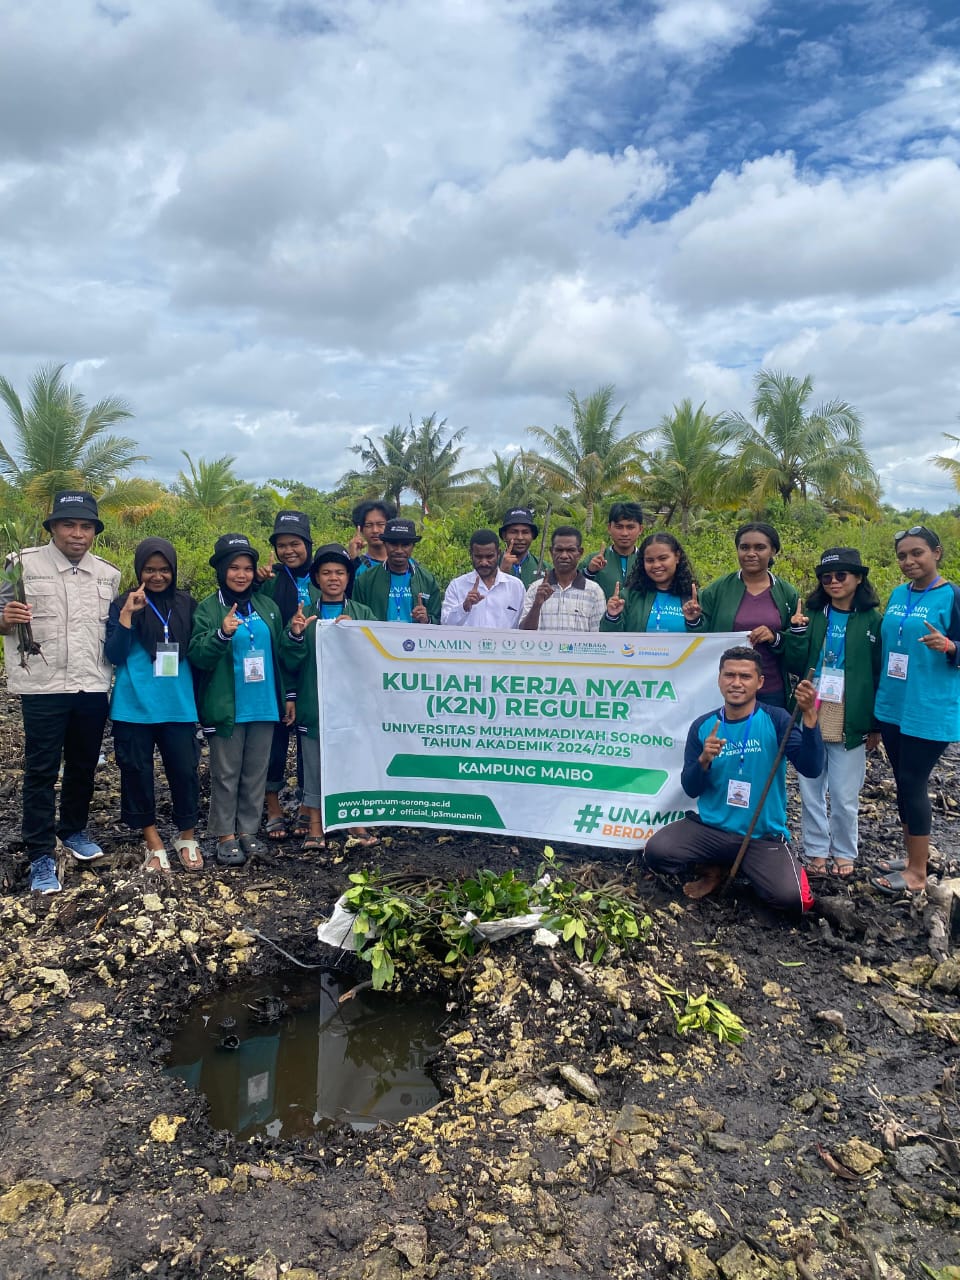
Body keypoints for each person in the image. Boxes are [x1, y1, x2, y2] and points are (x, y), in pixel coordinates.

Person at [0, 490, 120, 893]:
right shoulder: (20, 565)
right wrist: (4, 618)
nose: (77, 534)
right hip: (42, 685)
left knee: (84, 765)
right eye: (69, 524)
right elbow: (1, 618)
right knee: (40, 771)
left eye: (86, 526)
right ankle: (39, 855)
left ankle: (73, 830)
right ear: (53, 527)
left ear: (94, 533)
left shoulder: (108, 574)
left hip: (91, 684)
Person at [643, 646, 822, 911]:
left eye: (745, 676)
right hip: (710, 830)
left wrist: (809, 717)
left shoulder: (776, 720)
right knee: (656, 852)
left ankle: (744, 868)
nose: (736, 683)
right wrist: (704, 760)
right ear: (719, 679)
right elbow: (691, 789)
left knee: (791, 899)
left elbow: (812, 767)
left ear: (759, 682)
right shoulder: (703, 726)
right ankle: (715, 867)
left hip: (760, 836)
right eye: (729, 675)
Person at [870, 525, 960, 896]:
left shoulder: (952, 595)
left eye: (917, 553)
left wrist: (951, 645)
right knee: (903, 783)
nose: (909, 561)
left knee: (912, 782)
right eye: (903, 555)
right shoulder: (896, 593)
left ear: (936, 553)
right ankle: (911, 857)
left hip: (929, 708)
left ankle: (918, 873)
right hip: (893, 704)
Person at [188, 534, 287, 867]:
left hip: (264, 704)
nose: (241, 575)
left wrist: (287, 696)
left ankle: (247, 831)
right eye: (234, 568)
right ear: (221, 570)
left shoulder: (267, 606)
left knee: (255, 773)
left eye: (247, 568)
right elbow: (198, 656)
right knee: (226, 774)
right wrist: (222, 634)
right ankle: (224, 835)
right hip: (227, 706)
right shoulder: (208, 607)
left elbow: (279, 655)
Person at [104, 537, 202, 873]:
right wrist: (129, 615)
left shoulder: (188, 604)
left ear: (173, 570)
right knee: (136, 773)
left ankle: (186, 836)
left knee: (186, 772)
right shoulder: (123, 603)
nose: (157, 576)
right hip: (133, 706)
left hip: (177, 705)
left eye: (164, 570)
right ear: (139, 570)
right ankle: (153, 840)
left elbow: (198, 650)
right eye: (149, 569)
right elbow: (114, 655)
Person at [784, 549, 882, 879]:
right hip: (812, 706)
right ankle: (815, 851)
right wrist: (795, 632)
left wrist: (874, 725)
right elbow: (796, 662)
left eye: (841, 575)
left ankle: (843, 851)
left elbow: (878, 671)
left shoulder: (872, 621)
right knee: (810, 785)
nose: (834, 582)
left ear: (858, 578)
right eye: (827, 577)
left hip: (850, 711)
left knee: (843, 792)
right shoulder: (814, 615)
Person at [281, 544, 378, 850]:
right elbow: (289, 661)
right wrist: (295, 635)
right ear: (316, 579)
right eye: (326, 573)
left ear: (349, 577)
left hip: (353, 707)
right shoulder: (304, 615)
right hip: (314, 703)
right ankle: (315, 824)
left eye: (339, 572)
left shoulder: (363, 613)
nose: (333, 578)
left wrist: (358, 635)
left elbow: (376, 658)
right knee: (313, 763)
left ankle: (354, 820)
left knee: (352, 762)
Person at [689, 522, 799, 707]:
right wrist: (694, 620)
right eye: (744, 547)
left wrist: (774, 638)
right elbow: (702, 636)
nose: (751, 553)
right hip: (727, 690)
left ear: (773, 551)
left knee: (769, 735)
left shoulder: (787, 593)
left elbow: (797, 644)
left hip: (771, 688)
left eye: (760, 547)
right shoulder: (717, 589)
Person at [256, 511, 318, 843]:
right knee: (276, 740)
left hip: (314, 669)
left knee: (311, 740)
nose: (288, 551)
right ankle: (274, 808)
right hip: (277, 669)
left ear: (308, 543)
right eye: (281, 545)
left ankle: (310, 808)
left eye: (295, 543)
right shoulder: (271, 578)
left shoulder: (323, 573)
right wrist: (257, 578)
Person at [600, 532, 701, 633]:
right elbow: (611, 642)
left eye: (663, 558)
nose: (656, 565)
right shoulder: (629, 596)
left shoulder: (694, 598)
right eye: (650, 560)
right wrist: (612, 617)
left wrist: (694, 622)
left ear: (677, 557)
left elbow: (707, 642)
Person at [351, 518, 441, 623]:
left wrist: (427, 619)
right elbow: (356, 618)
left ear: (413, 546)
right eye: (393, 544)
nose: (399, 550)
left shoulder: (427, 580)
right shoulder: (365, 580)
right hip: (377, 639)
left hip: (413, 639)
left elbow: (438, 620)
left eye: (405, 545)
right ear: (385, 544)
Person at [519, 526, 606, 632]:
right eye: (559, 550)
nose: (564, 555)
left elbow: (598, 637)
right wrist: (537, 604)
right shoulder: (536, 588)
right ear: (551, 552)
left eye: (571, 550)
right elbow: (523, 633)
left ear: (580, 552)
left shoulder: (594, 591)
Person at [442, 529, 525, 628]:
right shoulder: (457, 586)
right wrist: (464, 607)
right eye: (478, 557)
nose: (484, 562)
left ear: (498, 554)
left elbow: (523, 627)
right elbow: (445, 625)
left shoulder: (516, 586)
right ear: (471, 554)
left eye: (489, 557)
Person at [581, 502, 645, 601]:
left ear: (640, 529)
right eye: (619, 527)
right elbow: (573, 588)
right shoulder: (593, 560)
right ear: (609, 528)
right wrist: (589, 571)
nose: (624, 533)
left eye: (630, 527)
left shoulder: (647, 561)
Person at [346, 500, 396, 582]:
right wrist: (352, 560)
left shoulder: (406, 565)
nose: (375, 530)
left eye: (381, 524)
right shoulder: (358, 565)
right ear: (361, 529)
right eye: (368, 525)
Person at [498, 508, 541, 587]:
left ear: (532, 535)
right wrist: (501, 573)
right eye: (514, 532)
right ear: (504, 535)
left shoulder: (543, 567)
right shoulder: (490, 567)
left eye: (525, 532)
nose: (520, 537)